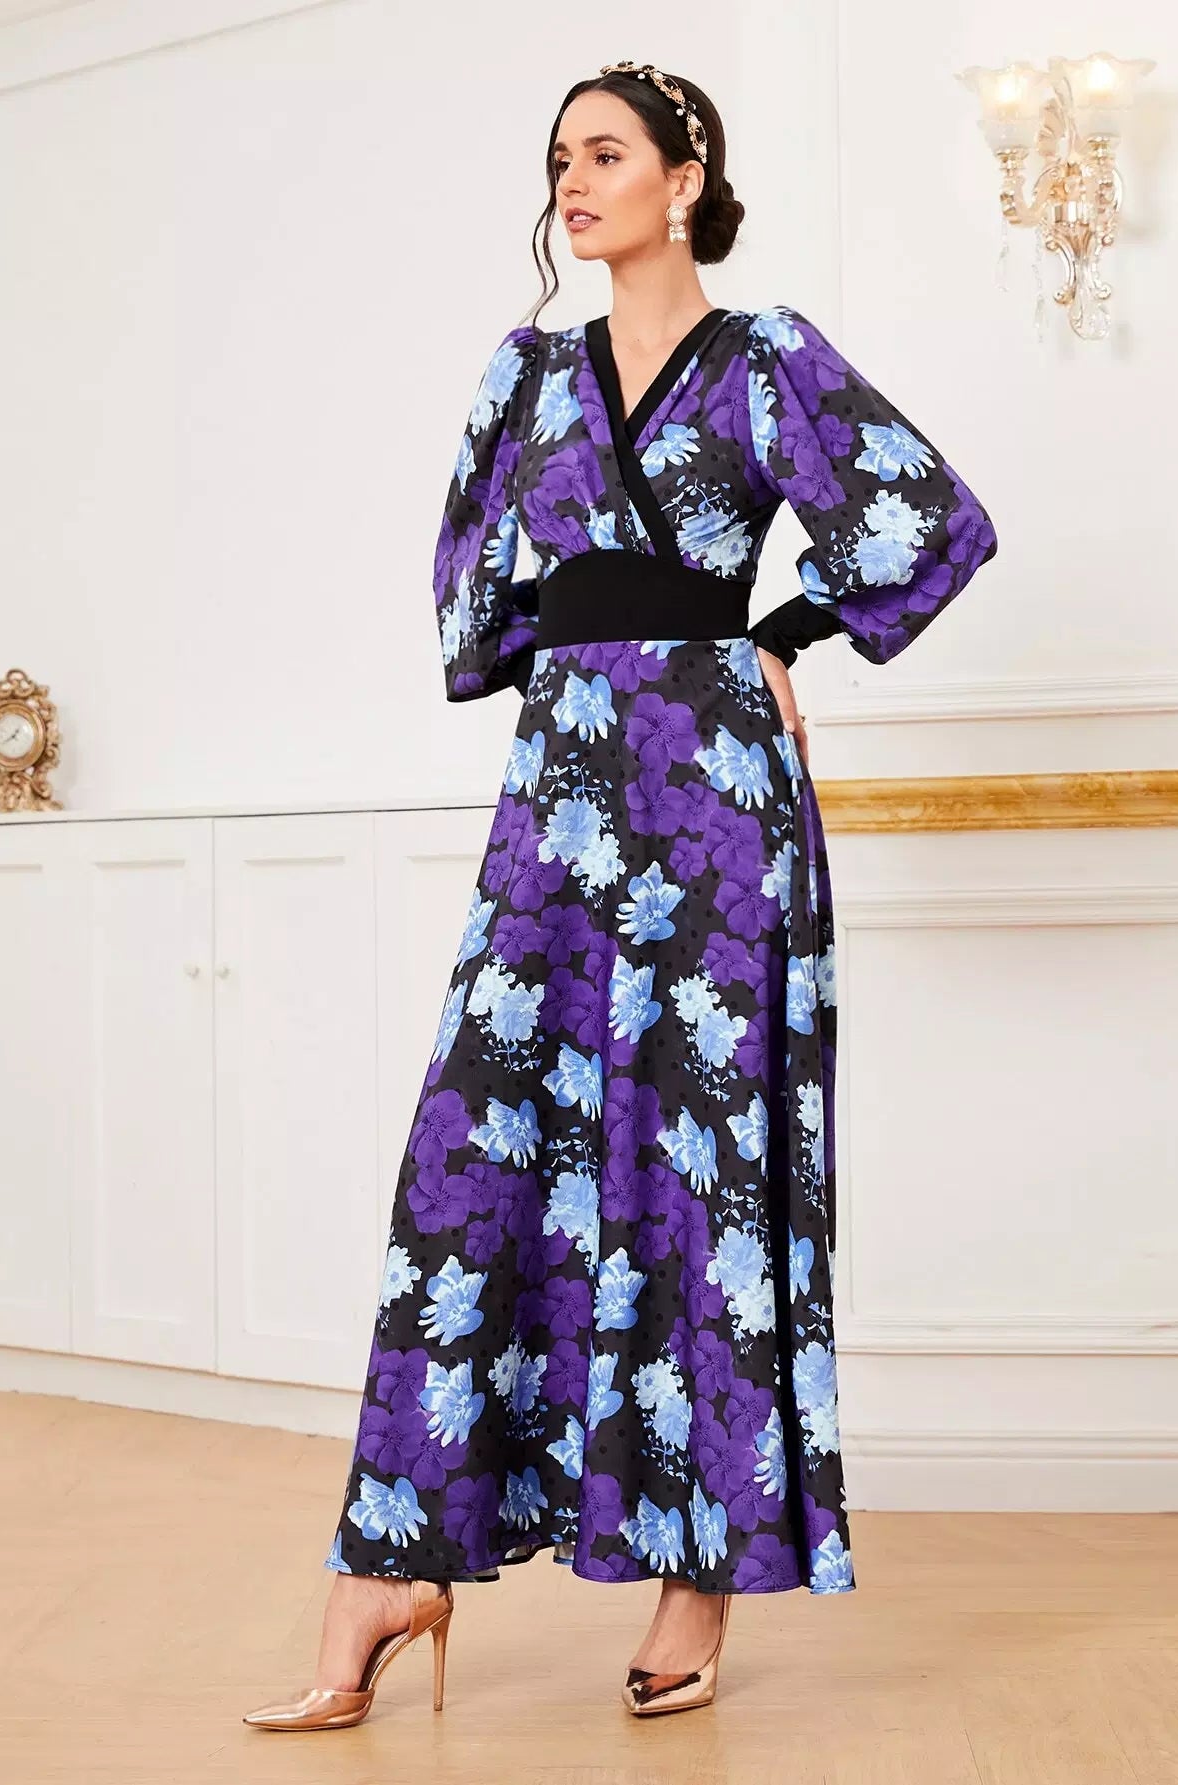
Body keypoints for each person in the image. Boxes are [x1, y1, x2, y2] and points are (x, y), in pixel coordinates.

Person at [244, 57, 997, 1733]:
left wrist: (777, 635)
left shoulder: (769, 355)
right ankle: (391, 1562)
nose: (572, 183)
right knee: (475, 1150)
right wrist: (592, 651)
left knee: (702, 1162)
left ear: (685, 174)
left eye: (604, 153)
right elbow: (473, 606)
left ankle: (694, 1568)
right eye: (559, 160)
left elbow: (927, 518)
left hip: (719, 799)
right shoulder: (525, 376)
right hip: (567, 793)